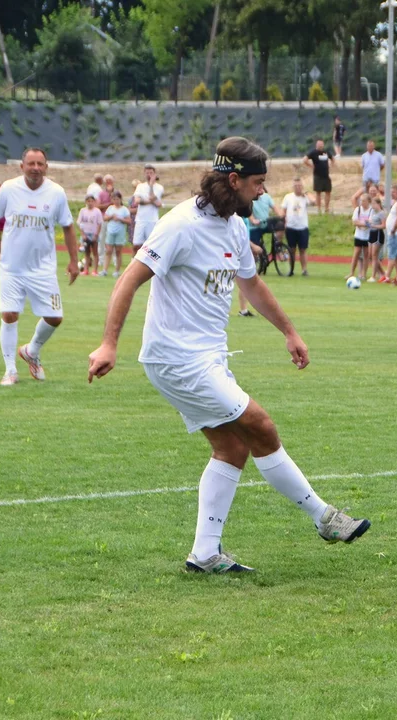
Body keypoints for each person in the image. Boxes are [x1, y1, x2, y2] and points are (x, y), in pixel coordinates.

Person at [87, 137, 370, 572]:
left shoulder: (235, 226)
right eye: (257, 183)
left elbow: (252, 285)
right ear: (233, 180)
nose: (262, 192)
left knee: (232, 447)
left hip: (207, 357)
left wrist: (290, 332)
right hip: (177, 359)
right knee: (260, 426)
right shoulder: (180, 223)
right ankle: (324, 517)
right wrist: (109, 343)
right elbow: (129, 279)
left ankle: (204, 555)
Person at [0, 147, 79, 387]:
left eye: (40, 164)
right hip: (12, 267)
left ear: (46, 167)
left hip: (43, 269)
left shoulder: (56, 193)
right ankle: (10, 371)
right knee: (9, 314)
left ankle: (31, 350)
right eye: (31, 163)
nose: (36, 168)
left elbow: (68, 227)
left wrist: (73, 260)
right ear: (22, 166)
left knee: (55, 317)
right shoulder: (8, 189)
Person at [280, 178, 312, 277]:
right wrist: (283, 223)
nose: (297, 187)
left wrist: (306, 193)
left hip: (302, 227)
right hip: (291, 227)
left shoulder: (304, 197)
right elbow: (283, 211)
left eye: (299, 185)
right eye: (296, 185)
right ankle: (291, 269)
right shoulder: (288, 197)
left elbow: (314, 201)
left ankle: (304, 270)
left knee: (303, 249)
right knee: (291, 249)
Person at [133, 164, 163, 254]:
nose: (149, 175)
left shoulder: (159, 187)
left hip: (152, 220)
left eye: (151, 173)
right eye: (147, 173)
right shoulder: (140, 186)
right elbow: (137, 200)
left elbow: (153, 197)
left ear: (154, 174)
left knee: (150, 245)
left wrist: (151, 186)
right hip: (140, 219)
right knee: (136, 244)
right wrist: (152, 201)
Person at [103, 192, 131, 278]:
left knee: (118, 252)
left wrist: (120, 219)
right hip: (111, 231)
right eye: (114, 199)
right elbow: (105, 218)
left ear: (120, 199)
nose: (116, 201)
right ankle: (105, 270)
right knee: (108, 251)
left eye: (117, 199)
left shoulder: (124, 209)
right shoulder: (110, 208)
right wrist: (111, 217)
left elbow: (129, 221)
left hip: (120, 232)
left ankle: (117, 271)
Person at [303, 140, 335, 214]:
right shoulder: (313, 152)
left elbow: (332, 158)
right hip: (318, 176)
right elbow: (305, 160)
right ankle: (319, 209)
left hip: (326, 175)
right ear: (316, 145)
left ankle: (327, 209)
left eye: (322, 145)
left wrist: (331, 165)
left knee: (328, 191)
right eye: (319, 145)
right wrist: (311, 166)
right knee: (318, 193)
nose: (321, 146)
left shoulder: (326, 152)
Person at [349, 193, 374, 280]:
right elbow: (354, 222)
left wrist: (361, 223)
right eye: (361, 200)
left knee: (366, 255)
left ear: (368, 201)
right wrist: (364, 223)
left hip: (367, 236)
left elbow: (370, 223)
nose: (362, 202)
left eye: (364, 201)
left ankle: (364, 274)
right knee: (356, 254)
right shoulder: (357, 210)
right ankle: (351, 272)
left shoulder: (371, 210)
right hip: (358, 235)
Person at [381, 185, 397, 283]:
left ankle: (387, 276)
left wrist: (394, 229)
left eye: (394, 192)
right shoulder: (396, 203)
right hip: (394, 233)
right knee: (396, 256)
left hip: (395, 233)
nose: (392, 193)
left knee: (392, 255)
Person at [78, 195, 103, 276]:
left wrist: (96, 234)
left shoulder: (97, 211)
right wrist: (82, 234)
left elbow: (99, 223)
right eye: (88, 201)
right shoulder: (83, 211)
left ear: (94, 202)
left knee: (95, 252)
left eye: (92, 201)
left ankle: (95, 270)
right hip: (85, 233)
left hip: (93, 233)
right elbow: (80, 223)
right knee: (87, 252)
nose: (90, 203)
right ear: (86, 202)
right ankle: (86, 270)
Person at [367, 196, 387, 282]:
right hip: (371, 233)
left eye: (374, 203)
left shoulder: (381, 213)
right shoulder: (372, 212)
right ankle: (382, 273)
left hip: (378, 234)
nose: (372, 205)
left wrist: (374, 226)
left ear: (378, 204)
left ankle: (373, 276)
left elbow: (384, 225)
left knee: (375, 255)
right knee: (371, 255)